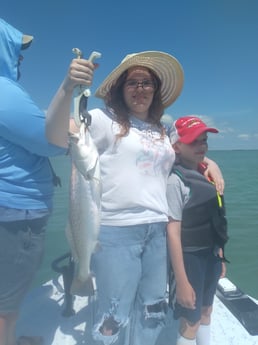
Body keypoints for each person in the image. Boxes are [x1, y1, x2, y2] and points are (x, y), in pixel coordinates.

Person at [46, 51, 224, 345]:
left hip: (158, 231)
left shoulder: (161, 130)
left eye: (147, 83)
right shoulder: (104, 120)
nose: (140, 89)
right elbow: (56, 136)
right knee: (113, 313)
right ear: (120, 88)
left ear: (156, 90)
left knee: (153, 309)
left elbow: (187, 152)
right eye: (132, 83)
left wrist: (210, 163)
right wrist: (67, 86)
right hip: (116, 232)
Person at [0, 18, 65, 345]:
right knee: (5, 303)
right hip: (16, 216)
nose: (21, 56)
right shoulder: (4, 93)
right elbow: (52, 142)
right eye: (16, 48)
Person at [166, 116, 229, 345]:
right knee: (190, 319)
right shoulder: (175, 181)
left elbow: (216, 219)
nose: (201, 146)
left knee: (206, 311)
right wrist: (181, 280)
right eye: (194, 142)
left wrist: (219, 253)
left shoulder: (208, 174)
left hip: (210, 254)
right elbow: (172, 232)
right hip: (189, 258)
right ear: (176, 147)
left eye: (204, 141)